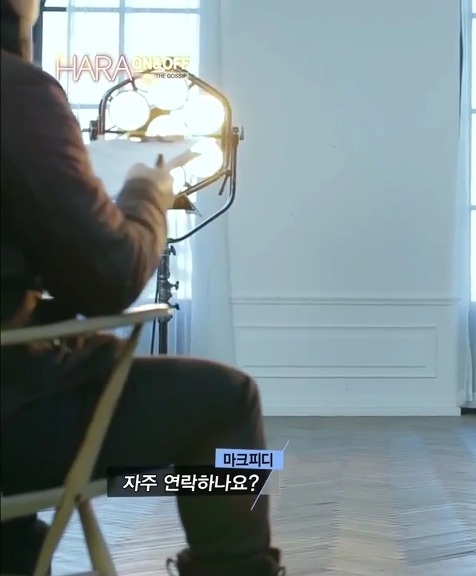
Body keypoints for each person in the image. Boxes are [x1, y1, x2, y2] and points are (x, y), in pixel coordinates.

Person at [0, 1, 286, 574]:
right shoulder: (17, 92)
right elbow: (110, 278)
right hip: (13, 419)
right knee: (226, 401)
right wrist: (146, 193)